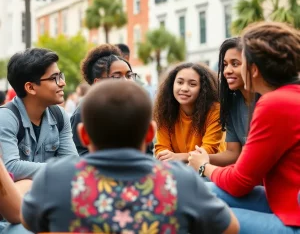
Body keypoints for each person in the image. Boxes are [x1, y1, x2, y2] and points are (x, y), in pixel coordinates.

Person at [20, 80, 239, 234]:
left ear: (83, 135)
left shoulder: (53, 177)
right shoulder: (182, 180)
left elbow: (28, 222)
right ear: (150, 134)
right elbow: (230, 228)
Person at [188, 22, 300, 233]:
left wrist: (203, 166)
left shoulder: (274, 104)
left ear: (254, 69)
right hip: (285, 202)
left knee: (199, 210)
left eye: (240, 62)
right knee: (199, 192)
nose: (230, 70)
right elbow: (250, 173)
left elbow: (240, 182)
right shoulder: (290, 96)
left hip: (293, 219)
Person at [0, 48, 78, 181]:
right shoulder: (6, 118)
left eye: (60, 76)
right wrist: (59, 169)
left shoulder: (59, 116)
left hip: (48, 195)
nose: (62, 83)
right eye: (54, 78)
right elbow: (10, 167)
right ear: (30, 87)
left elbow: (72, 164)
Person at [70, 44, 139, 156]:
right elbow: (79, 156)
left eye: (129, 75)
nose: (126, 81)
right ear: (98, 83)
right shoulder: (82, 113)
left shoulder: (137, 108)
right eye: (117, 76)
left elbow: (147, 151)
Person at [154, 63, 226, 162]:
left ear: (203, 89)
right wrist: (171, 158)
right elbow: (161, 148)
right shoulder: (165, 110)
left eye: (192, 84)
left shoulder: (215, 110)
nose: (184, 89)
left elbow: (208, 150)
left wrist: (177, 157)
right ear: (172, 85)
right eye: (180, 82)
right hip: (177, 168)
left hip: (209, 170)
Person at [209, 37, 255, 166]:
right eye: (225, 65)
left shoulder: (268, 102)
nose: (227, 71)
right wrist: (200, 158)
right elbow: (233, 153)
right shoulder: (232, 103)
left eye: (235, 64)